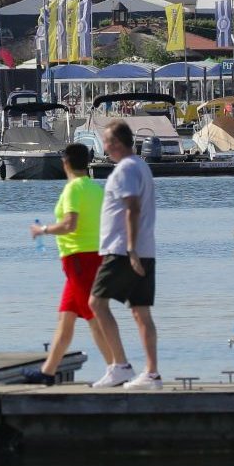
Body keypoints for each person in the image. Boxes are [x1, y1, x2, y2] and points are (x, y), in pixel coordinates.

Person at [23, 142, 129, 386]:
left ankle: (117, 368)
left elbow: (70, 224)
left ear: (65, 163)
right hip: (90, 258)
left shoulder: (73, 189)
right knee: (66, 318)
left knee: (94, 318)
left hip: (80, 259)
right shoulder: (95, 188)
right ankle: (48, 372)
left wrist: (43, 230)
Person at [93, 119, 161, 390]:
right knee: (140, 311)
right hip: (143, 250)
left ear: (116, 144)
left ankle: (120, 365)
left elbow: (132, 208)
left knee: (96, 304)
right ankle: (152, 374)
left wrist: (130, 250)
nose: (104, 147)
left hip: (123, 251)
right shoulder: (141, 166)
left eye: (107, 142)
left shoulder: (125, 170)